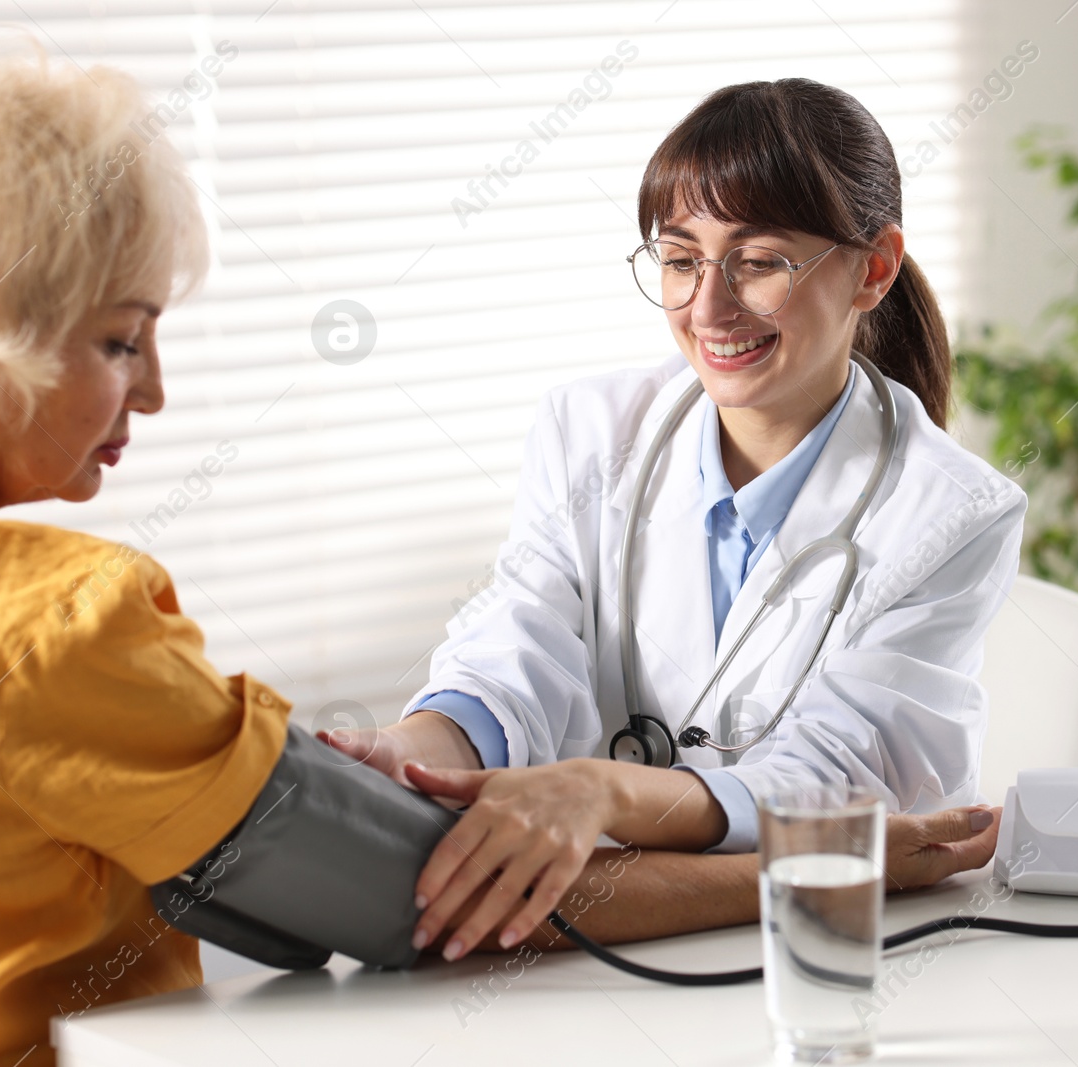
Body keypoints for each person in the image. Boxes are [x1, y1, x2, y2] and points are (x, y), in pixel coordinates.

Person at [0, 50, 1003, 1066]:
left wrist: (580, 794)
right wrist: (828, 856)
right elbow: (424, 892)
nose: (162, 391)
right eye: (124, 342)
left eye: (763, 261)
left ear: (869, 269)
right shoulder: (53, 623)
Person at [326, 78, 1028, 961]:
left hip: (838, 951)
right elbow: (520, 645)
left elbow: (838, 783)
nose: (708, 306)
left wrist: (600, 794)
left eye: (759, 260)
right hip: (612, 948)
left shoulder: (952, 511)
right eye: (681, 257)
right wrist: (405, 749)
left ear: (873, 269)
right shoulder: (589, 431)